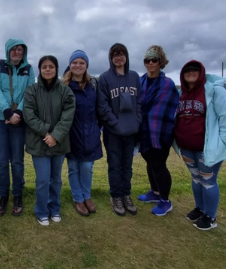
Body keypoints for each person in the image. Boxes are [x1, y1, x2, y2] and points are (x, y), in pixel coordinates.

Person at [174, 60, 226, 230]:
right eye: (187, 70)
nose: (191, 72)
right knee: (196, 179)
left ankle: (210, 217)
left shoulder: (215, 92)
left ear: (201, 72)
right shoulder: (181, 94)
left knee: (208, 180)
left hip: (207, 148)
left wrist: (224, 142)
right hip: (186, 146)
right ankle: (200, 208)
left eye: (195, 70)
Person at [23, 55, 75, 226]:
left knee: (56, 179)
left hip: (58, 143)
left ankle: (55, 209)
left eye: (51, 66)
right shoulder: (32, 90)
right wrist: (46, 132)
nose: (47, 69)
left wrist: (56, 136)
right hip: (39, 143)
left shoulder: (65, 90)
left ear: (56, 69)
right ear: (40, 69)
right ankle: (42, 211)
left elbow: (68, 115)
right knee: (43, 179)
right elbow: (29, 115)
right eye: (44, 66)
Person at [0, 39, 36, 216]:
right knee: (1, 162)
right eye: (14, 49)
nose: (17, 52)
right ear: (8, 50)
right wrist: (7, 112)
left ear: (24, 52)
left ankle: (17, 195)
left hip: (19, 120)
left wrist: (19, 113)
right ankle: (3, 195)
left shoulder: (28, 69)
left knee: (17, 161)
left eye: (20, 49)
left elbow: (30, 92)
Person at [97, 43, 141, 217]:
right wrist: (115, 123)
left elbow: (139, 102)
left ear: (126, 56)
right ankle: (116, 196)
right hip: (113, 131)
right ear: (110, 58)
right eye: (115, 54)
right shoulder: (105, 78)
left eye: (122, 54)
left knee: (127, 165)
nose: (118, 57)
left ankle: (126, 194)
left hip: (131, 130)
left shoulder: (135, 77)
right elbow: (102, 105)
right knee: (114, 165)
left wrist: (137, 122)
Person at [137, 45, 180, 216]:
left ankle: (165, 201)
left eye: (154, 59)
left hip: (161, 132)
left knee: (159, 164)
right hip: (144, 131)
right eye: (147, 60)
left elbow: (171, 108)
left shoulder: (167, 84)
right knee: (150, 162)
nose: (150, 63)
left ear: (160, 62)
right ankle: (154, 193)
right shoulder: (140, 81)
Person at [63, 50, 103, 216]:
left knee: (87, 167)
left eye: (81, 63)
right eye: (75, 62)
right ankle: (78, 198)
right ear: (70, 65)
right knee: (73, 168)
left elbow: (99, 108)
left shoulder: (94, 85)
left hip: (91, 132)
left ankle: (87, 196)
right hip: (72, 133)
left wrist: (97, 127)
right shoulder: (64, 86)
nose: (78, 65)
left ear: (86, 66)